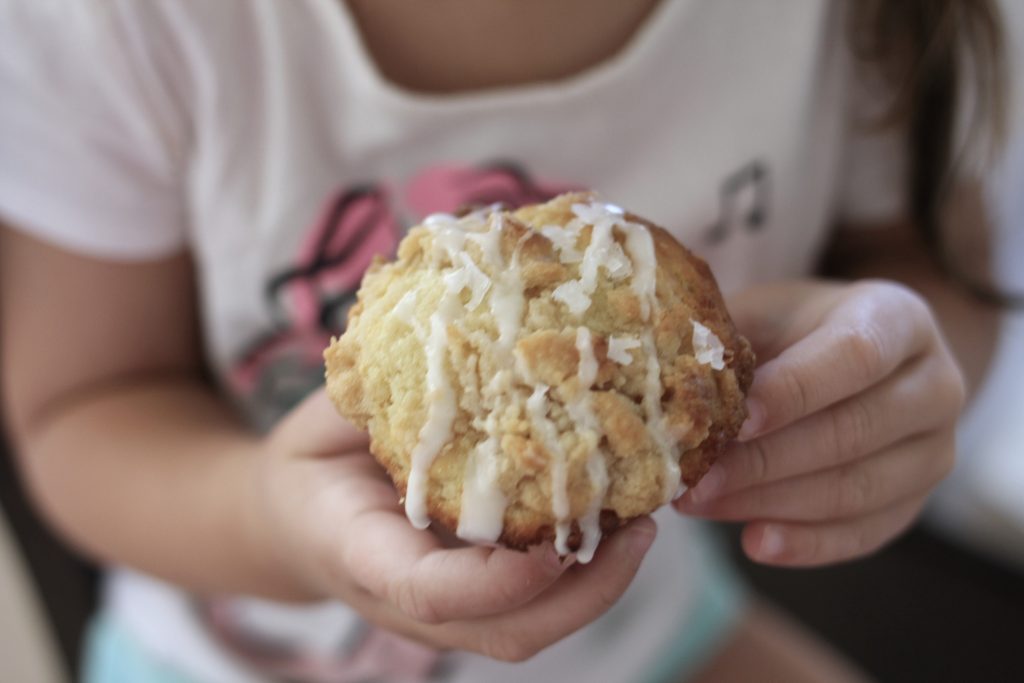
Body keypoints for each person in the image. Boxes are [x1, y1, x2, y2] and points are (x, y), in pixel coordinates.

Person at [0, 1, 1009, 682]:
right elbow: (82, 407)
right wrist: (275, 519)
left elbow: (921, 263)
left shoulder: (853, 21)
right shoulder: (123, 26)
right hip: (233, 648)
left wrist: (901, 369)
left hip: (644, 633)